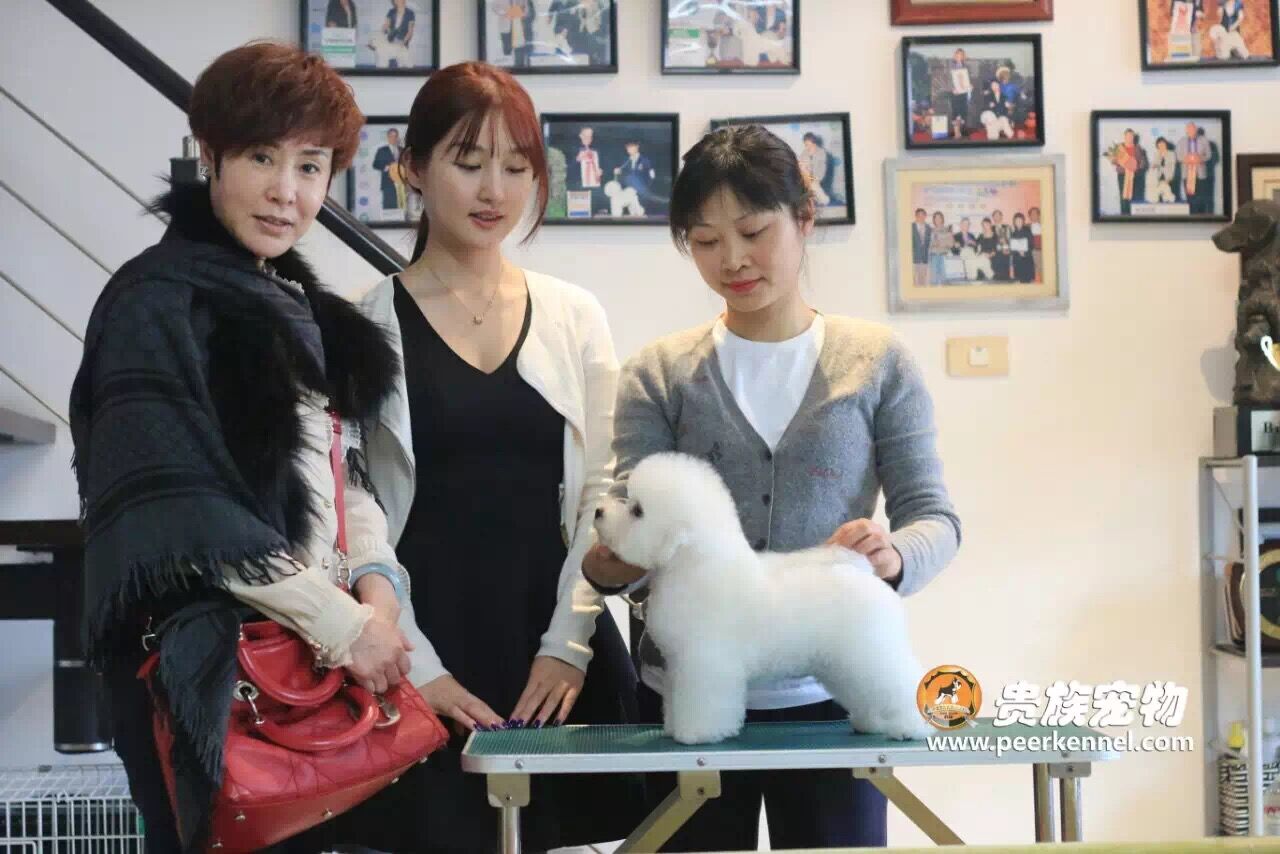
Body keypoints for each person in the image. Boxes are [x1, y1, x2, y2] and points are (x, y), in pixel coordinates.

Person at [68, 42, 419, 852]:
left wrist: (377, 587)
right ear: (210, 153)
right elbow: (185, 517)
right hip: (213, 667)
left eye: (310, 166)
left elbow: (344, 470)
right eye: (262, 157)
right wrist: (343, 626)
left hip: (314, 664)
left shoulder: (294, 305)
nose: (285, 191)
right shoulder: (155, 305)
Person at [580, 123, 961, 851]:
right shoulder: (659, 373)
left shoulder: (879, 362)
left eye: (753, 232)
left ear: (804, 217)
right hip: (682, 702)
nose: (732, 260)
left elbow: (935, 518)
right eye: (705, 241)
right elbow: (633, 525)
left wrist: (893, 557)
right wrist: (611, 563)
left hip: (831, 708)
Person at [340, 60, 644, 853]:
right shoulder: (365, 325)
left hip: (556, 640)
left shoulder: (574, 315)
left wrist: (568, 647)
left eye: (516, 167)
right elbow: (355, 511)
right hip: (422, 646)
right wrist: (419, 668)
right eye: (468, 162)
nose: (494, 191)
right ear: (412, 167)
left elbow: (605, 494)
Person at [1177, 122, 1210, 213]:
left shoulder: (1204, 140)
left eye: (1193, 129)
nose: (1191, 131)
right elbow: (1178, 156)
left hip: (1200, 174)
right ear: (1186, 131)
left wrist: (1200, 159)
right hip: (1187, 174)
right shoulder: (1181, 141)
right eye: (1189, 129)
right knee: (1190, 198)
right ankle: (1192, 217)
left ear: (1196, 130)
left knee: (1201, 198)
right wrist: (1185, 159)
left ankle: (1202, 217)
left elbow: (1209, 155)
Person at [372, 126, 407, 212]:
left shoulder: (402, 150)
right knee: (389, 209)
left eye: (395, 136)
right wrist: (385, 167)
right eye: (391, 136)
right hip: (388, 184)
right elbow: (375, 164)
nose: (393, 138)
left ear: (397, 137)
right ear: (388, 137)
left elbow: (406, 165)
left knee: (402, 208)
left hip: (402, 184)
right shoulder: (382, 150)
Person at [377, 0, 416, 69]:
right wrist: (382, 31)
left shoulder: (410, 13)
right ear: (394, 2)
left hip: (402, 43)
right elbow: (386, 25)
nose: (398, 1)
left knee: (405, 67)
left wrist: (403, 42)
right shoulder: (391, 11)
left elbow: (410, 31)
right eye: (396, 0)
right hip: (390, 43)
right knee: (391, 67)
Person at [948, 47, 972, 139]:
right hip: (955, 93)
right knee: (955, 112)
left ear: (963, 56)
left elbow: (969, 80)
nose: (959, 56)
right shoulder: (950, 66)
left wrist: (970, 85)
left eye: (961, 55)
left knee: (963, 112)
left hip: (964, 93)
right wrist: (952, 89)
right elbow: (947, 81)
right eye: (957, 55)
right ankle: (956, 132)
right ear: (955, 56)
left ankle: (960, 130)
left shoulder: (967, 67)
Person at [928, 210, 953, 285]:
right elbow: (928, 245)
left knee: (944, 281)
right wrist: (933, 244)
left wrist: (941, 243)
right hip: (933, 257)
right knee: (933, 281)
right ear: (934, 220)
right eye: (936, 218)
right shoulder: (930, 230)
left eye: (939, 218)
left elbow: (951, 244)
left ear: (942, 219)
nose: (937, 220)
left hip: (943, 257)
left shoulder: (947, 230)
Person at [1010, 212, 1036, 283]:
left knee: (1027, 281)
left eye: (1020, 220)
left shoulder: (1028, 231)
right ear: (1014, 222)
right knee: (1019, 280)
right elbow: (1012, 247)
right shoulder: (1013, 233)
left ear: (1023, 221)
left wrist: (1024, 252)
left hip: (1026, 259)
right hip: (1017, 260)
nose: (1018, 222)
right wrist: (1017, 251)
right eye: (1016, 220)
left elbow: (1031, 245)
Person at [910, 207, 932, 287]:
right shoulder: (910, 227)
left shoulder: (929, 228)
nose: (921, 217)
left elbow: (929, 243)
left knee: (922, 282)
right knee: (912, 282)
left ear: (925, 216)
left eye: (923, 215)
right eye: (919, 215)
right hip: (912, 259)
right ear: (915, 216)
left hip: (924, 259)